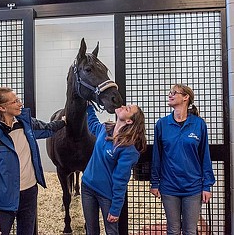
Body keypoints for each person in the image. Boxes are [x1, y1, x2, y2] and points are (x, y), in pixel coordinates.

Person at [0, 87, 66, 235]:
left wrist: (63, 122)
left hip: (29, 193)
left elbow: (47, 129)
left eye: (19, 99)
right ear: (2, 107)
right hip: (3, 201)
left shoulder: (25, 123)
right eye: (15, 101)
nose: (20, 104)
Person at [150, 83, 215, 235]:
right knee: (172, 230)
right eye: (170, 92)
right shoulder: (162, 124)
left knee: (190, 230)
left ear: (186, 97)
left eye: (174, 92)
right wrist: (154, 182)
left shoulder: (198, 124)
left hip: (193, 187)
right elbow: (157, 156)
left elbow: (205, 156)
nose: (170, 95)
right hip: (169, 186)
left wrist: (207, 186)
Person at [81, 103, 147, 235]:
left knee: (111, 232)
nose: (122, 106)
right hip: (87, 187)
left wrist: (116, 208)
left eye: (127, 109)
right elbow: (93, 124)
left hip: (106, 195)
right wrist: (88, 106)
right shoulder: (106, 129)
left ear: (129, 121)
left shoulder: (128, 150)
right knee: (91, 230)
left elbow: (120, 180)